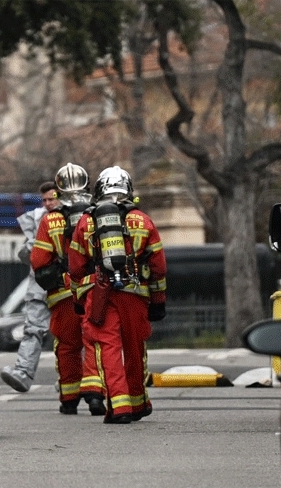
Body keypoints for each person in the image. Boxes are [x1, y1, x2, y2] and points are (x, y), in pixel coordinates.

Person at [67, 166, 167, 424]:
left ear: (99, 190)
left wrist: (79, 300)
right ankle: (138, 402)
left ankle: (119, 407)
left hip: (99, 294)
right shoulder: (143, 221)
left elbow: (76, 267)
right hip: (135, 294)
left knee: (107, 348)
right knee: (134, 347)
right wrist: (158, 302)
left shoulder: (87, 222)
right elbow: (158, 267)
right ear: (128, 189)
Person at [28, 163, 106, 415]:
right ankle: (96, 395)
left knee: (67, 345)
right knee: (95, 342)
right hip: (95, 289)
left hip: (63, 294)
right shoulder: (98, 215)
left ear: (58, 190)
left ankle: (70, 398)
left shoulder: (50, 221)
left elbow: (39, 262)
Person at [0, 181, 59, 392]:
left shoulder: (71, 216)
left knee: (71, 335)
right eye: (44, 200)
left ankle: (73, 380)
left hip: (65, 284)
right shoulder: (36, 219)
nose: (48, 203)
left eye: (52, 198)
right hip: (40, 284)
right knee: (32, 329)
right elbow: (27, 256)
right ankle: (23, 372)